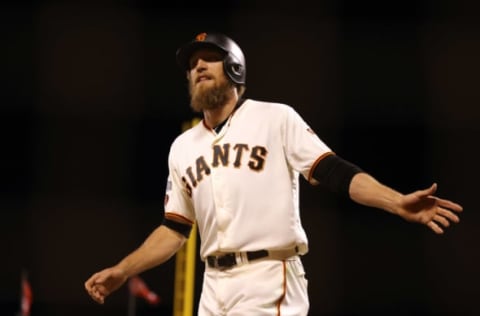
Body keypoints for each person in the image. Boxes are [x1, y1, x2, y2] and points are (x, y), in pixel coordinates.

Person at [84, 32, 463, 315]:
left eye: (208, 59)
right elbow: (174, 229)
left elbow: (333, 171)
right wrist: (121, 271)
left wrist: (397, 202)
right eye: (192, 64)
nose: (197, 66)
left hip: (268, 275)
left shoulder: (274, 117)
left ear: (234, 68)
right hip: (212, 288)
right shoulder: (183, 147)